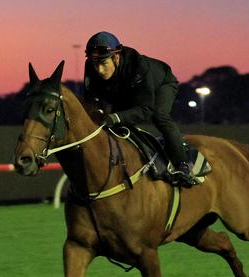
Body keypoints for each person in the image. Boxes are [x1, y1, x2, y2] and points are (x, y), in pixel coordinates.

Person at [83, 31, 198, 187]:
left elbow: (146, 109)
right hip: (126, 90)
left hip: (161, 84)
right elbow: (91, 101)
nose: (99, 70)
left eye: (104, 64)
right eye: (95, 64)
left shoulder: (137, 67)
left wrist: (116, 117)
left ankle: (183, 165)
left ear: (116, 57)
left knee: (159, 115)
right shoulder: (91, 65)